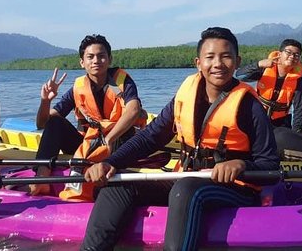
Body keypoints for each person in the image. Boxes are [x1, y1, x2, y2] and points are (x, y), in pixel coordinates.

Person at [80, 27, 280, 251]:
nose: (218, 64)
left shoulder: (250, 106)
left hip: (235, 188)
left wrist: (240, 164)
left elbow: (270, 166)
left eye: (226, 57)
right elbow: (150, 137)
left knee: (186, 189)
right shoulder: (186, 94)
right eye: (210, 57)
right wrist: (110, 163)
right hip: (185, 176)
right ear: (198, 62)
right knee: (118, 184)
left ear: (237, 61)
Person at [29, 34, 146, 200]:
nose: (96, 61)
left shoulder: (123, 81)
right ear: (82, 62)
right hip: (90, 144)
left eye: (101, 56)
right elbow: (42, 124)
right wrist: (45, 101)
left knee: (116, 138)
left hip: (119, 143)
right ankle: (41, 179)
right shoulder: (78, 88)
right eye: (90, 57)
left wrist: (109, 139)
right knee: (55, 122)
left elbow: (133, 110)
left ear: (110, 59)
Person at [235, 38, 302, 133]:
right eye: (288, 52)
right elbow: (239, 76)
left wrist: (297, 134)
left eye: (296, 55)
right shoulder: (264, 69)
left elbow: (298, 109)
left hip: (280, 123)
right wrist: (258, 64)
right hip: (258, 117)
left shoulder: (297, 80)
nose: (292, 56)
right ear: (280, 54)